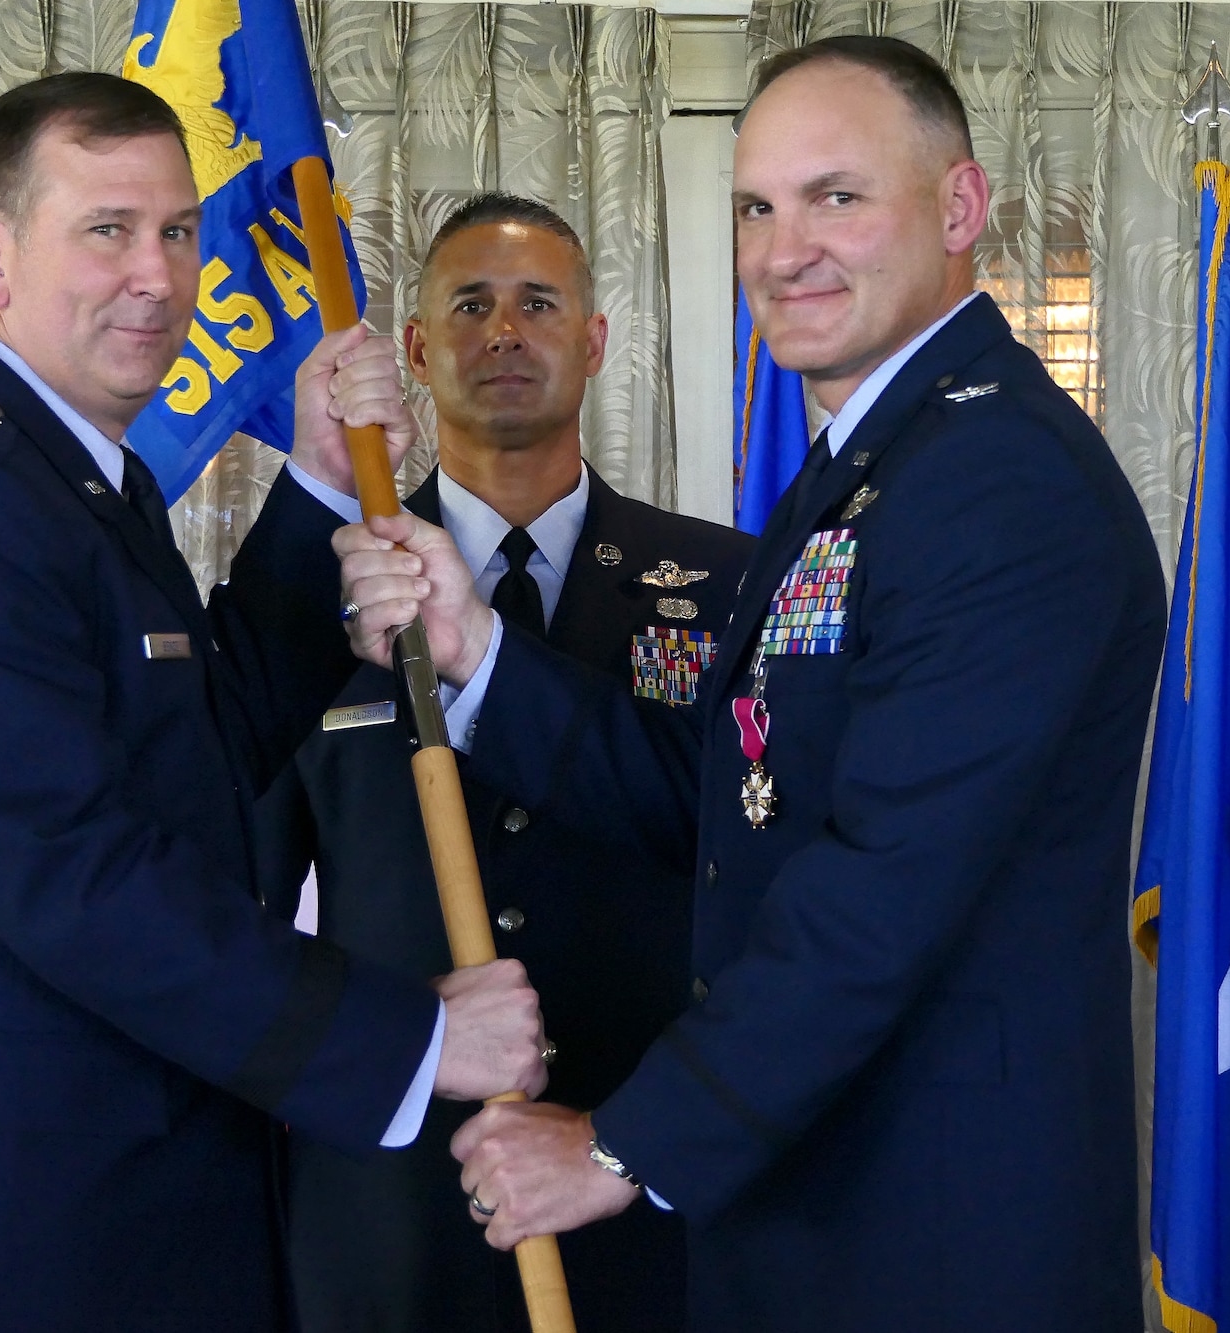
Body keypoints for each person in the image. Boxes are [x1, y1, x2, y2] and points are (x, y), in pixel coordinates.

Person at [335, 36, 1166, 1332]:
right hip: (825, 1208)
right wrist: (474, 651)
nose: (785, 250)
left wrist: (622, 1144)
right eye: (757, 208)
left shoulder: (998, 483)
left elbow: (881, 889)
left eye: (838, 196)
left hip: (933, 1236)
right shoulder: (871, 465)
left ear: (960, 207)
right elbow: (739, 794)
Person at [0, 73, 547, 1333]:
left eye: (179, 231)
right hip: (18, 1252)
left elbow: (186, 746)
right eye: (106, 230)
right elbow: (77, 879)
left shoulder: (67, 476)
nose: (158, 275)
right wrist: (407, 1038)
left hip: (120, 1217)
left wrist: (311, 486)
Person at [255, 193, 752, 1333]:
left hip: (641, 1182)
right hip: (386, 1206)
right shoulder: (315, 586)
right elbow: (240, 898)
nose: (503, 332)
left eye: (538, 303)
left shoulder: (726, 586)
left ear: (593, 340)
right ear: (418, 351)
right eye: (469, 305)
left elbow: (759, 868)